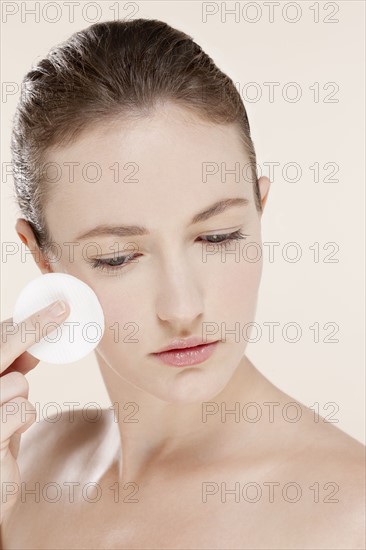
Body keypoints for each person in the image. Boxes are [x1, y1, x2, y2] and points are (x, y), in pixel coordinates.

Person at [0, 18, 364, 550]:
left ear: (260, 211)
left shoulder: (348, 515)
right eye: (118, 256)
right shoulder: (29, 466)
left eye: (217, 237)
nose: (183, 307)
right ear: (41, 257)